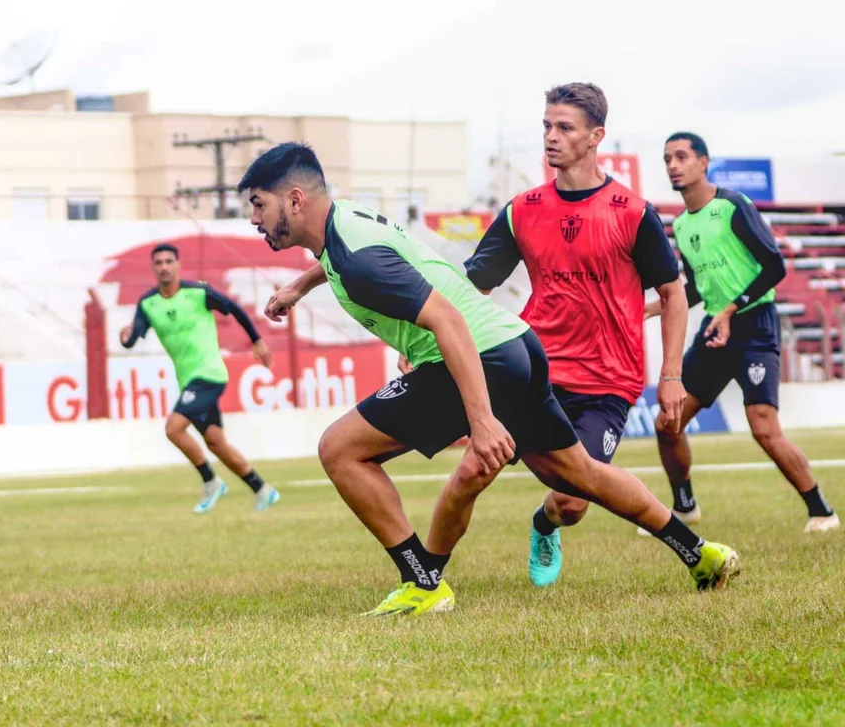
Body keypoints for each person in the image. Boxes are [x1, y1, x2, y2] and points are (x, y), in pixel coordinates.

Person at [241, 141, 740, 617]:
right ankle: (701, 553)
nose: (254, 219)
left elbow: (448, 322)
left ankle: (422, 584)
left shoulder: (357, 258)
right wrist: (298, 288)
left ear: (296, 199)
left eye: (259, 205)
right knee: (579, 474)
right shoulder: (345, 223)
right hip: (518, 345)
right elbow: (338, 260)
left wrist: (481, 421)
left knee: (340, 449)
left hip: (478, 356)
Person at [462, 82, 690, 587]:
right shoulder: (523, 209)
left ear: (595, 136)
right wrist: (428, 340)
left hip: (607, 380)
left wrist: (671, 375)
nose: (551, 137)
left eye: (564, 127)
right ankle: (425, 576)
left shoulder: (632, 212)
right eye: (546, 126)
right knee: (474, 469)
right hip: (534, 369)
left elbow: (673, 295)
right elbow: (470, 286)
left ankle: (545, 523)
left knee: (572, 500)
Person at [649, 132, 838, 533]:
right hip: (715, 329)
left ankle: (821, 511)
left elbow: (774, 266)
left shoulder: (733, 205)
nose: (673, 165)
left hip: (754, 324)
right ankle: (685, 507)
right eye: (667, 158)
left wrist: (731, 310)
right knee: (668, 422)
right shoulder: (681, 225)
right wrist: (657, 306)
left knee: (764, 428)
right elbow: (698, 287)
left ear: (703, 162)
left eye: (682, 156)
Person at [120, 243, 281, 514]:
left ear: (178, 265)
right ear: (153, 268)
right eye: (158, 263)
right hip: (187, 381)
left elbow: (234, 307)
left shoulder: (198, 292)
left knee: (173, 428)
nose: (164, 267)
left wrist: (257, 341)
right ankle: (262, 489)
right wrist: (125, 338)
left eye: (168, 261)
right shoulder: (148, 304)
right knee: (216, 443)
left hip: (209, 374)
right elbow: (134, 335)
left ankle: (211, 481)